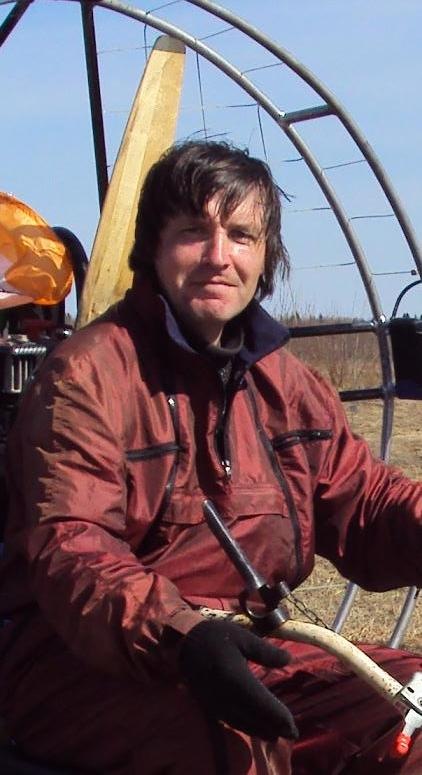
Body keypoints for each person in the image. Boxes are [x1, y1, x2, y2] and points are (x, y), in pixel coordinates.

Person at [0, 140, 421, 775]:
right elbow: (72, 547)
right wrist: (183, 635)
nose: (219, 256)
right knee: (236, 742)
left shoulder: (288, 386)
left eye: (242, 235)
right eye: (195, 232)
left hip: (249, 650)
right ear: (154, 246)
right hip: (79, 665)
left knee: (408, 711)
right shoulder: (85, 378)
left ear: (266, 255)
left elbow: (365, 503)